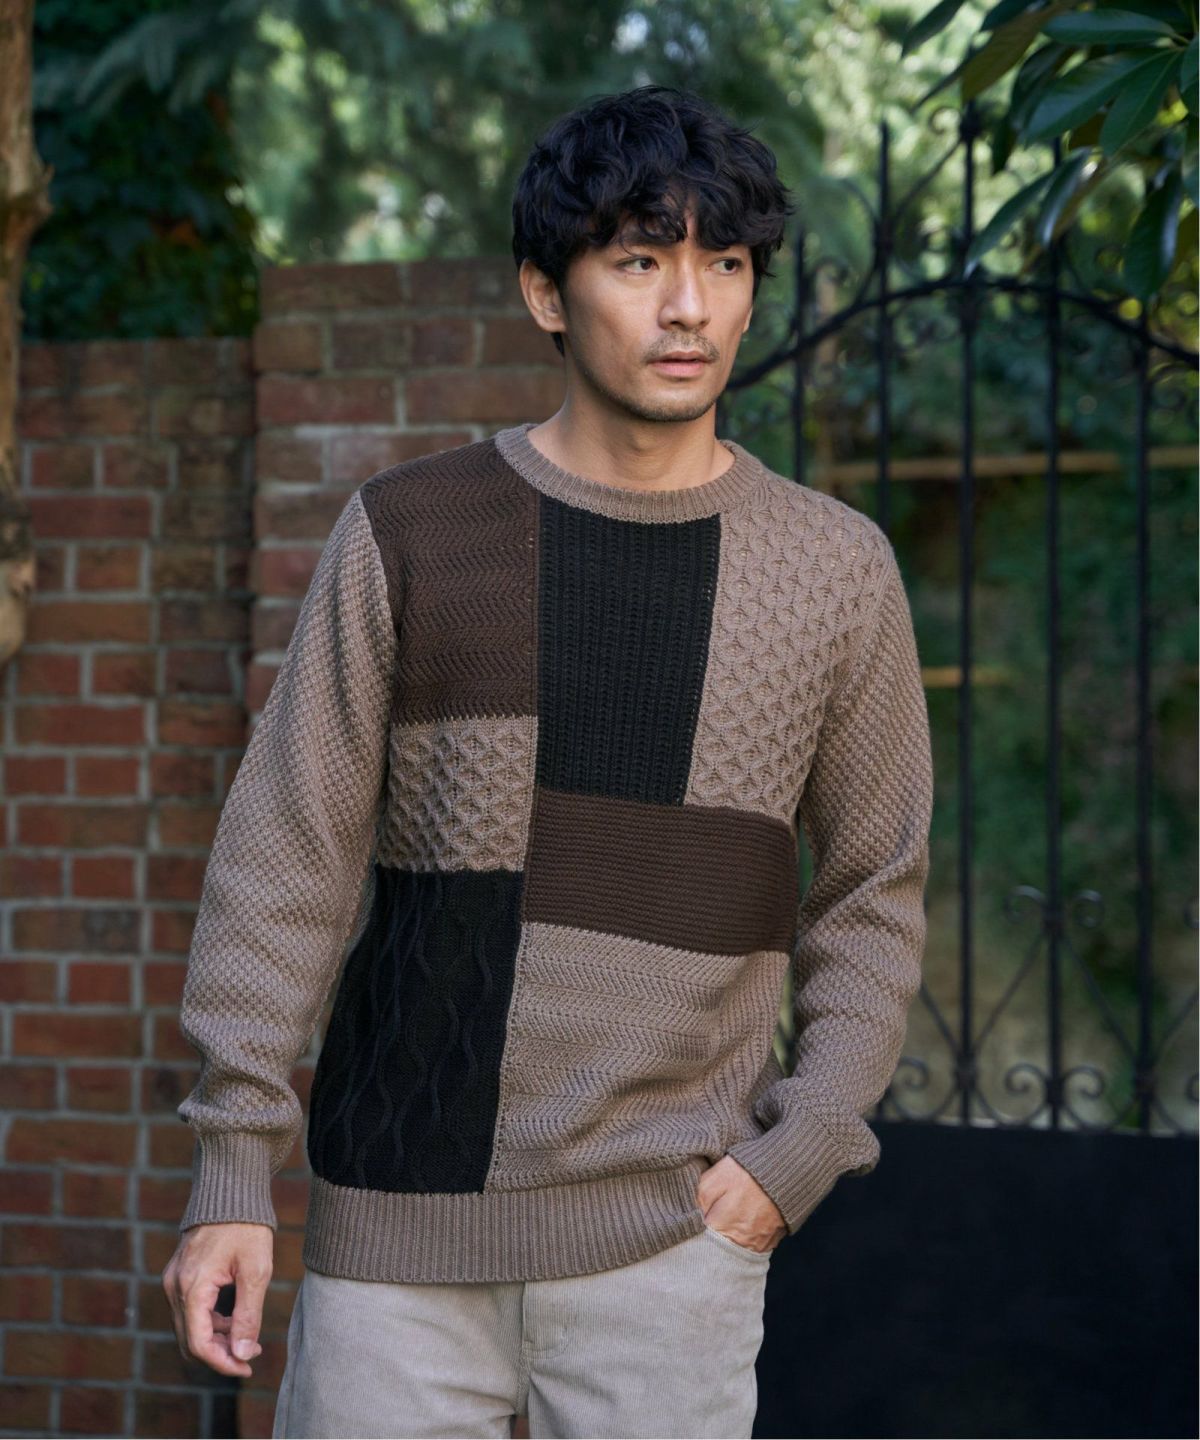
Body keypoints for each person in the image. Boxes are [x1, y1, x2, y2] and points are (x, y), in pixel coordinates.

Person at [161, 82, 934, 1440]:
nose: (688, 307)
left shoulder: (836, 570)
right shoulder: (412, 532)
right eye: (639, 262)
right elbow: (287, 855)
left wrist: (800, 1152)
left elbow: (875, 890)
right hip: (395, 1243)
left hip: (674, 1244)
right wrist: (233, 1168)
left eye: (725, 264)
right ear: (545, 294)